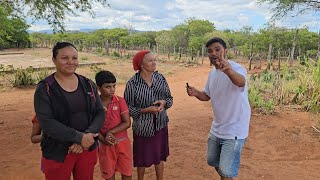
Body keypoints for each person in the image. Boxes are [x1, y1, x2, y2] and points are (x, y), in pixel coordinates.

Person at [34, 42, 105, 180]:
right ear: (54, 60)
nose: (71, 62)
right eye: (64, 58)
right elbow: (47, 123)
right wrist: (79, 138)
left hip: (86, 148)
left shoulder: (88, 84)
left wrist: (85, 137)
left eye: (74, 58)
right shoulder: (45, 89)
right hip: (58, 151)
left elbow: (99, 112)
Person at [186, 37, 251, 180]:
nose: (213, 53)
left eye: (217, 49)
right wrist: (196, 92)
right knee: (213, 162)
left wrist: (228, 71)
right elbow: (207, 95)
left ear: (225, 51)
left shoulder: (236, 68)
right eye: (210, 51)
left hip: (235, 129)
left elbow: (241, 82)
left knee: (226, 171)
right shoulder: (212, 73)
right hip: (217, 128)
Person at [124, 50, 173, 180]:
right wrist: (145, 110)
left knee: (159, 157)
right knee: (142, 159)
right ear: (141, 64)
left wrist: (163, 102)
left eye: (154, 60)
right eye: (150, 60)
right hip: (143, 128)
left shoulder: (160, 78)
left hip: (160, 125)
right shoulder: (132, 84)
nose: (154, 63)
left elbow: (169, 99)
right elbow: (127, 108)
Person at [95, 70, 132, 180]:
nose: (112, 89)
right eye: (107, 87)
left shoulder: (120, 101)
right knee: (109, 175)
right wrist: (103, 139)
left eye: (114, 86)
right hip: (105, 146)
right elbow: (93, 127)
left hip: (123, 143)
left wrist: (110, 132)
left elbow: (127, 123)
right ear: (98, 88)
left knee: (127, 174)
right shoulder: (95, 105)